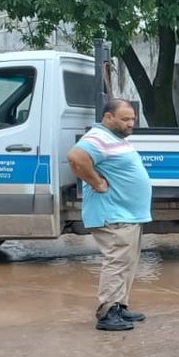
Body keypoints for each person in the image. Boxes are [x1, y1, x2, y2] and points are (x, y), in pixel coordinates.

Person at [67, 98, 153, 331]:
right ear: (108, 118)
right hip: (113, 214)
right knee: (117, 262)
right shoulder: (98, 137)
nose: (131, 124)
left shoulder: (114, 139)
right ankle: (107, 313)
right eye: (125, 119)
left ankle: (120, 307)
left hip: (127, 214)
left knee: (127, 262)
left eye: (133, 119)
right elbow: (76, 157)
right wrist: (96, 182)